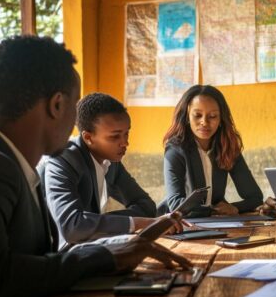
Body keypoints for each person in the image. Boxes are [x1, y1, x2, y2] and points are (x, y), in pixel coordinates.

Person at [0, 36, 190, 297]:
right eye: (75, 105)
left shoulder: (11, 164)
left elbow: (38, 262)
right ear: (57, 105)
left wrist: (124, 247)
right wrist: (106, 256)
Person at [40, 93, 184, 249]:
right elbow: (72, 227)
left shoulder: (110, 161)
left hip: (91, 247)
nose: (125, 143)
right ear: (88, 137)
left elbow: (145, 206)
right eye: (115, 137)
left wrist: (97, 222)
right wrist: (140, 223)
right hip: (57, 258)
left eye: (126, 133)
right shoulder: (62, 161)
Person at [159, 85, 263, 216]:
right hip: (176, 226)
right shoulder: (175, 150)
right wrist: (213, 210)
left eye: (212, 116)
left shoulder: (226, 145)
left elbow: (255, 197)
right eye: (197, 115)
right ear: (187, 116)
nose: (204, 122)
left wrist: (234, 208)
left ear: (221, 119)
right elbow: (176, 205)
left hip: (214, 223)